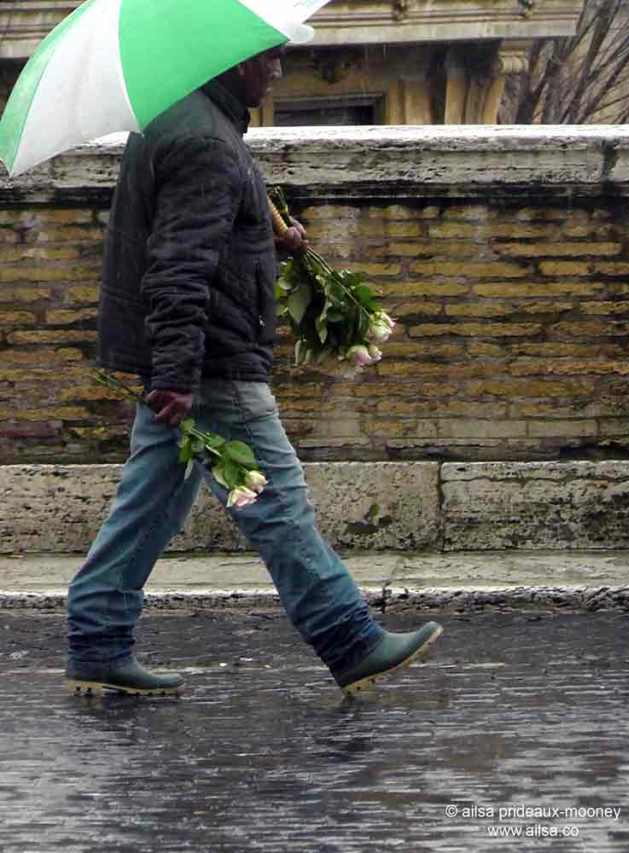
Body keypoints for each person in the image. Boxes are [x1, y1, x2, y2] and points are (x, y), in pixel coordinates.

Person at [65, 45, 443, 698]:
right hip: (211, 358)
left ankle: (97, 637)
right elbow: (179, 266)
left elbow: (195, 235)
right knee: (277, 499)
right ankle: (349, 639)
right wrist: (180, 374)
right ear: (233, 61)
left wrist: (271, 239)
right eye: (269, 59)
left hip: (189, 354)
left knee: (150, 501)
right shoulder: (206, 141)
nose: (278, 71)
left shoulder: (186, 120)